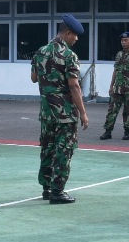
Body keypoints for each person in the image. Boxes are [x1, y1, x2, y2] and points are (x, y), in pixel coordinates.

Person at [30, 14, 89, 203]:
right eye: (75, 36)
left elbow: (33, 78)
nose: (77, 39)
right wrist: (83, 113)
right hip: (65, 114)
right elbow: (74, 86)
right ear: (68, 33)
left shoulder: (40, 51)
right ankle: (57, 191)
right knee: (64, 151)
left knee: (47, 149)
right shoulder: (70, 56)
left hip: (47, 113)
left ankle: (47, 188)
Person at [100, 31, 129, 140]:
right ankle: (108, 131)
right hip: (117, 88)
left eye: (126, 40)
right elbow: (115, 71)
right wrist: (111, 86)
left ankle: (127, 132)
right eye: (122, 40)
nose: (123, 42)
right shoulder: (119, 54)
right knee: (112, 110)